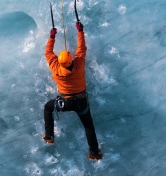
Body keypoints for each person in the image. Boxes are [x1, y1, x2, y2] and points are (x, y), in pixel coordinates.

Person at [42, 21, 103, 160]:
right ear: (71, 60)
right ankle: (94, 152)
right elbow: (81, 48)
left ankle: (49, 135)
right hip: (81, 101)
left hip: (65, 102)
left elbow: (48, 53)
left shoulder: (56, 67)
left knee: (48, 107)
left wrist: (52, 37)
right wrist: (80, 31)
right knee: (88, 126)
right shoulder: (79, 64)